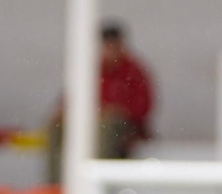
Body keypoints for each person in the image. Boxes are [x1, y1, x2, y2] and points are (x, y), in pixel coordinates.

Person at [45, 22, 156, 184]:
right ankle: (58, 184)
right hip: (90, 121)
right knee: (56, 126)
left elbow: (143, 108)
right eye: (106, 46)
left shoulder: (134, 72)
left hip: (122, 127)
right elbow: (70, 98)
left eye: (113, 46)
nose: (109, 50)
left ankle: (95, 184)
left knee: (105, 128)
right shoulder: (91, 70)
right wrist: (64, 111)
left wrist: (113, 111)